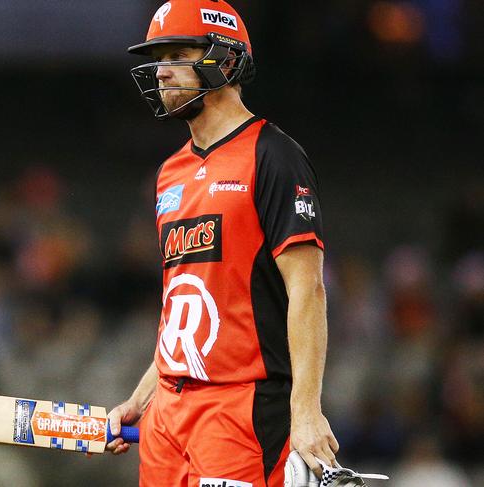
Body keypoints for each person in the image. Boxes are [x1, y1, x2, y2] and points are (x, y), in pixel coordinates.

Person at [107, 1, 339, 486]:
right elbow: (184, 306)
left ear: (224, 59)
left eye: (176, 54)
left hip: (240, 407)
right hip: (168, 416)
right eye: (157, 57)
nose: (161, 71)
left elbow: (307, 290)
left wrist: (307, 410)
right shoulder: (170, 173)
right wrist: (142, 397)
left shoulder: (274, 156)